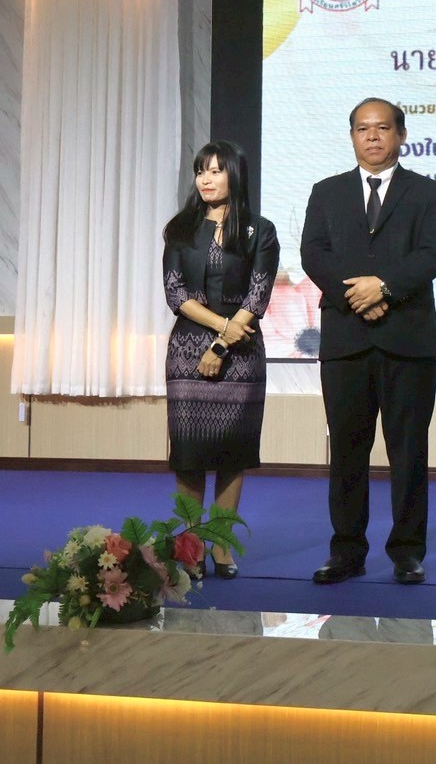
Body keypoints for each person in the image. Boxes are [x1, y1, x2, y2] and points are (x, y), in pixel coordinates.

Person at [301, 97, 436, 586]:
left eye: (382, 128)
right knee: (347, 451)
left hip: (407, 341)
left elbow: (431, 255)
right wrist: (359, 296)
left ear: (400, 135)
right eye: (363, 128)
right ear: (352, 136)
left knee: (408, 451)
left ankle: (407, 551)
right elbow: (313, 254)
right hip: (346, 341)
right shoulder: (326, 192)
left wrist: (383, 288)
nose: (372, 136)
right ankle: (346, 551)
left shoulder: (426, 192)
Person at [162, 140, 280, 578]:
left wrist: (224, 343)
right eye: (201, 171)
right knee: (189, 454)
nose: (206, 179)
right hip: (188, 351)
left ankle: (222, 546)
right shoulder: (179, 229)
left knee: (234, 453)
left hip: (241, 354)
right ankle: (189, 548)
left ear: (235, 175)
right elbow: (176, 293)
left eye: (215, 170)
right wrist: (220, 328)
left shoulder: (259, 231)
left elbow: (258, 293)